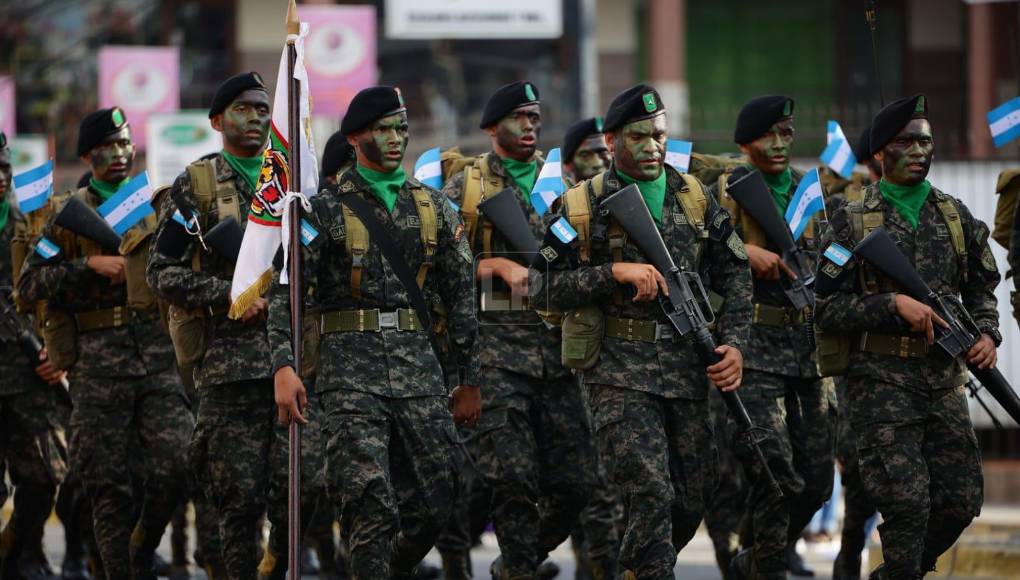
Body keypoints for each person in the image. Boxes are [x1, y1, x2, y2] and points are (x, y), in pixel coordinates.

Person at [530, 83, 751, 580]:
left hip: (685, 370)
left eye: (660, 135)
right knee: (649, 491)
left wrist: (735, 343)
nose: (654, 146)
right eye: (640, 136)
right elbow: (540, 289)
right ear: (611, 142)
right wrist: (611, 276)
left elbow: (735, 272)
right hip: (618, 373)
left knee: (691, 497)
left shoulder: (694, 198)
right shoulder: (579, 207)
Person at [271, 85, 480, 580]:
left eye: (401, 129)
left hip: (419, 373)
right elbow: (288, 293)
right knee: (369, 499)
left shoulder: (434, 208)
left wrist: (468, 379)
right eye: (382, 129)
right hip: (348, 375)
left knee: (439, 495)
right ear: (355, 137)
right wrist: (283, 365)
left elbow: (461, 299)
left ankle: (380, 567)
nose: (394, 139)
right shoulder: (320, 211)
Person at [816, 94, 999, 580]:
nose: (919, 150)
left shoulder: (955, 216)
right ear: (880, 152)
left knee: (961, 501)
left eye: (925, 141)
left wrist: (987, 333)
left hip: (943, 382)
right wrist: (891, 305)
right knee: (907, 507)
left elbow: (982, 288)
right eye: (905, 142)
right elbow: (825, 306)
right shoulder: (850, 220)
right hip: (880, 387)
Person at [18, 107, 193, 580]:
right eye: (106, 148)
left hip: (157, 356)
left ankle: (141, 545)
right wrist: (87, 267)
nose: (118, 154)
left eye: (123, 144)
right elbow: (28, 284)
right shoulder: (65, 217)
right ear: (86, 156)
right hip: (98, 364)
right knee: (107, 484)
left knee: (176, 466)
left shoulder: (157, 206)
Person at [442, 81, 597, 580]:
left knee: (578, 482)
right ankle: (522, 568)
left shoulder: (566, 187)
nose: (530, 126)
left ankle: (517, 562)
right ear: (491, 128)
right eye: (519, 118)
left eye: (535, 118)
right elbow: (431, 267)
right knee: (513, 480)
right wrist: (490, 266)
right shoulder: (466, 188)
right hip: (496, 353)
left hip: (560, 351)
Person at [147, 71, 279, 579]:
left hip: (294, 359)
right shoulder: (197, 185)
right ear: (218, 120)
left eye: (263, 109)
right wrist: (229, 294)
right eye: (244, 109)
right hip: (229, 367)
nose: (256, 118)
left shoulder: (291, 184)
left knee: (304, 490)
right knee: (238, 499)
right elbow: (162, 271)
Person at [709, 95, 836, 579]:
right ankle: (766, 567)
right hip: (752, 347)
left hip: (807, 351)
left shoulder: (809, 190)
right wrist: (745, 252)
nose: (781, 142)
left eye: (787, 132)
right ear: (746, 143)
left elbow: (828, 252)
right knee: (774, 469)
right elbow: (697, 250)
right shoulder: (724, 190)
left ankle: (757, 555)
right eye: (770, 134)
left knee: (818, 481)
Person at [0, 129, 70, 580]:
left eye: (3, 169)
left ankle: (15, 551)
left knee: (46, 474)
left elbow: (54, 292)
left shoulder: (33, 224)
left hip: (30, 372)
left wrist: (54, 351)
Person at [560, 116, 623, 580]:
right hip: (553, 366)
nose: (600, 160)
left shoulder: (631, 204)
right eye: (589, 154)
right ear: (567, 165)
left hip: (615, 366)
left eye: (603, 152)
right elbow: (538, 288)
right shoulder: (563, 211)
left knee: (609, 488)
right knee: (587, 486)